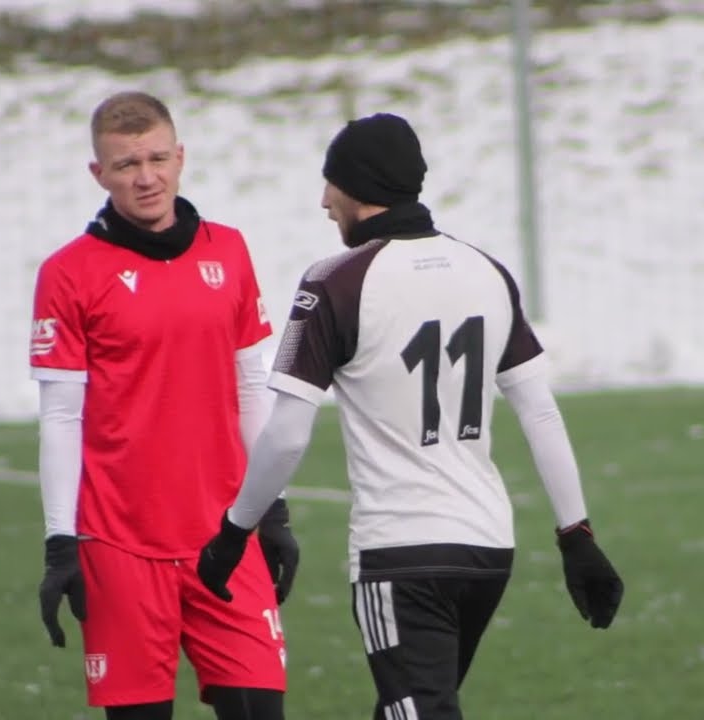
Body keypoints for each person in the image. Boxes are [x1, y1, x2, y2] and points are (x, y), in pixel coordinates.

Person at [196, 113, 624, 720]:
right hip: (485, 549)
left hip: (400, 555)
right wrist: (576, 537)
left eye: (331, 183)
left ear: (359, 188)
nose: (323, 200)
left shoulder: (332, 282)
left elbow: (287, 435)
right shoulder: (487, 271)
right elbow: (540, 411)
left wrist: (235, 531)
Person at [29, 90, 299, 720]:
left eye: (156, 159)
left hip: (225, 536)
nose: (145, 178)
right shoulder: (68, 273)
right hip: (119, 545)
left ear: (180, 158)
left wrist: (273, 508)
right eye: (125, 165)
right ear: (98, 173)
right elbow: (62, 417)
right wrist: (59, 544)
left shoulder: (227, 250)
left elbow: (251, 388)